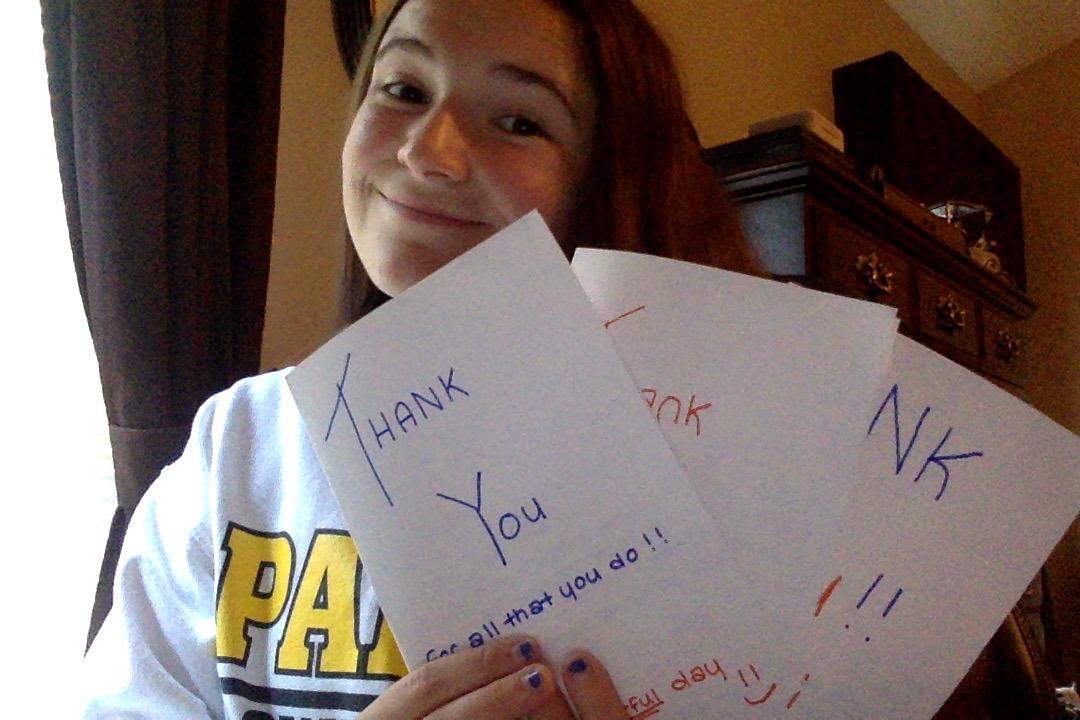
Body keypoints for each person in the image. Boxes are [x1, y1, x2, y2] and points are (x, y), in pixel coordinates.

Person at [80, 0, 760, 718]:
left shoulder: (718, 462)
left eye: (519, 122)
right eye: (404, 89)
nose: (427, 152)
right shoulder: (237, 444)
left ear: (610, 175)